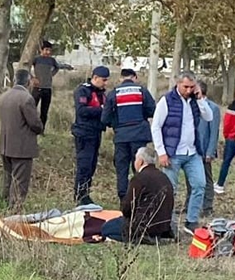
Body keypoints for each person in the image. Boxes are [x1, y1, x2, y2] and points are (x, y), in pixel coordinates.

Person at [150, 72, 214, 234]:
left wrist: (199, 98)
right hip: (173, 153)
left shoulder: (195, 100)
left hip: (192, 152)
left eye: (192, 87)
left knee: (200, 184)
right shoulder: (167, 101)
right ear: (178, 84)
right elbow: (156, 126)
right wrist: (161, 152)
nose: (188, 90)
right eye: (185, 86)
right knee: (170, 189)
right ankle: (167, 223)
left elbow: (209, 116)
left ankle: (191, 220)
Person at [101, 68, 156, 201]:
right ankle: (141, 197)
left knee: (121, 169)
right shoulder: (142, 91)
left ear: (121, 78)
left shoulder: (113, 93)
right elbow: (152, 110)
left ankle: (123, 199)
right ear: (135, 77)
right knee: (140, 167)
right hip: (139, 135)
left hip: (121, 137)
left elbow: (104, 118)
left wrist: (116, 123)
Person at [101, 146, 174, 243]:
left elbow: (127, 207)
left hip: (142, 226)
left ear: (140, 161)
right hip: (163, 227)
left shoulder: (139, 178)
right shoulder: (164, 177)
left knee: (106, 228)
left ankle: (140, 238)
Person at [0, 69, 43, 209]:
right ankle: (14, 213)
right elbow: (35, 124)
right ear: (28, 81)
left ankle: (3, 207)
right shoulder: (26, 98)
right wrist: (40, 127)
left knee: (8, 180)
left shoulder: (4, 96)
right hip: (21, 147)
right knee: (19, 182)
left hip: (5, 145)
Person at [72, 66, 110, 205]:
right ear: (95, 78)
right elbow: (82, 110)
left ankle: (86, 193)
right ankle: (80, 195)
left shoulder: (102, 94)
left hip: (96, 133)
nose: (105, 83)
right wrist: (101, 110)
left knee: (92, 166)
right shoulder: (83, 90)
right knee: (84, 165)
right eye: (104, 80)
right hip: (84, 133)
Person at [184, 80, 221, 216]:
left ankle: (207, 207)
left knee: (206, 179)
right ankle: (189, 204)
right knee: (190, 178)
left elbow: (214, 131)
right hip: (191, 148)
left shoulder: (213, 108)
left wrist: (210, 152)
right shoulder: (190, 105)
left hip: (204, 149)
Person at [31, 41, 60, 129]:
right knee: (32, 108)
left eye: (50, 51)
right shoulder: (36, 59)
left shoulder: (52, 60)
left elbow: (57, 67)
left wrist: (51, 74)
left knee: (44, 111)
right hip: (37, 88)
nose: (48, 52)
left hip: (47, 88)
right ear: (41, 50)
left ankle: (42, 129)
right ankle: (30, 127)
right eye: (46, 50)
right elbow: (26, 67)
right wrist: (32, 78)